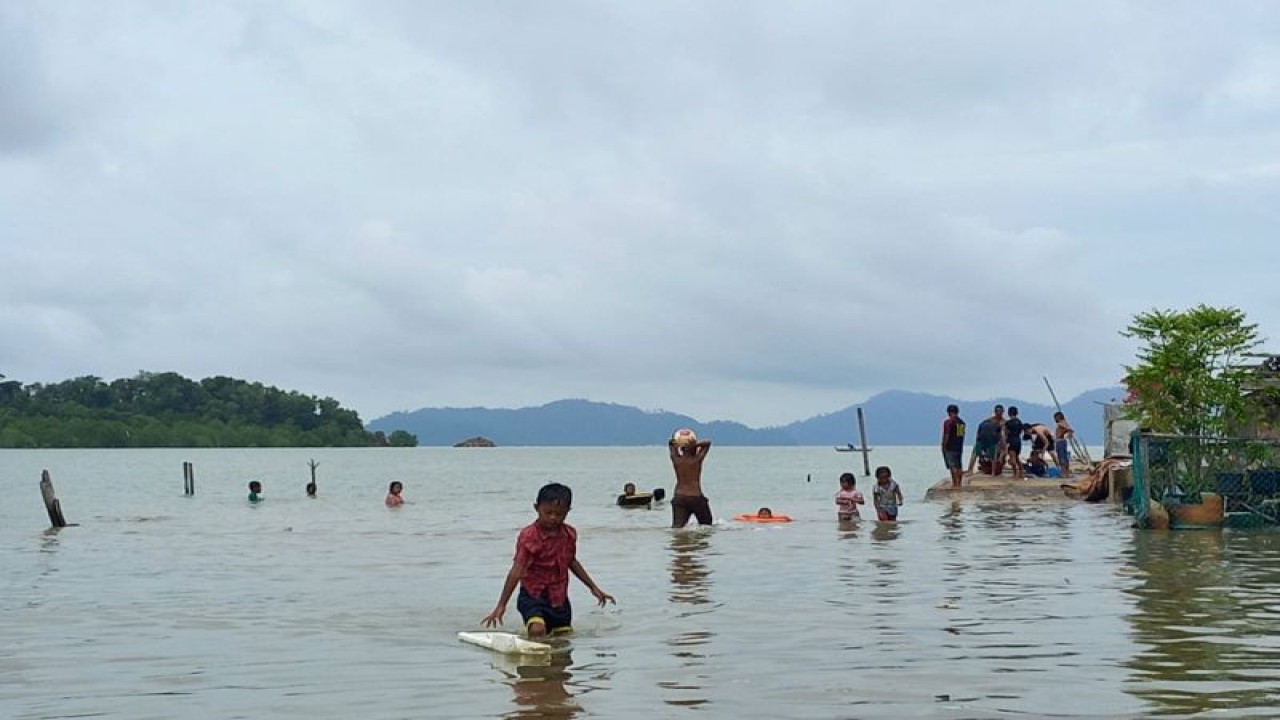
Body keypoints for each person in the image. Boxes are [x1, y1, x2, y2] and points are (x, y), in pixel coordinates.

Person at [482, 482, 614, 639]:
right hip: (532, 595)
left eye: (559, 514)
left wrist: (593, 587)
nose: (553, 518)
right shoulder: (529, 536)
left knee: (562, 639)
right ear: (536, 508)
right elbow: (517, 570)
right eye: (548, 512)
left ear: (568, 511)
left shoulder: (569, 534)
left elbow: (571, 561)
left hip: (559, 598)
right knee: (537, 630)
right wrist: (501, 605)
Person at [669, 434, 714, 527]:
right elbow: (708, 443)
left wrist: (680, 442)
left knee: (677, 527)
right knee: (707, 526)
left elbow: (671, 444)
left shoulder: (676, 459)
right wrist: (694, 445)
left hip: (679, 497)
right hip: (695, 497)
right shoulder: (696, 460)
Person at [968, 405, 1006, 476]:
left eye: (1000, 412)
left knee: (993, 454)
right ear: (995, 412)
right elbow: (981, 429)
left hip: (993, 440)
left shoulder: (1003, 422)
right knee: (976, 452)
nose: (999, 413)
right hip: (988, 439)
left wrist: (1003, 445)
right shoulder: (990, 420)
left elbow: (1003, 435)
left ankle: (993, 471)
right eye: (997, 411)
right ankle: (970, 469)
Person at [940, 404, 966, 488]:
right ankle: (959, 483)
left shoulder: (948, 422)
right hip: (959, 447)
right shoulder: (961, 422)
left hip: (950, 447)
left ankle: (955, 483)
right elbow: (961, 436)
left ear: (949, 412)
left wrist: (943, 445)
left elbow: (946, 434)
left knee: (952, 466)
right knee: (959, 465)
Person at [1004, 406, 1026, 480]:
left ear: (1009, 413)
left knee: (1012, 459)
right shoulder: (1019, 422)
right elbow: (1021, 431)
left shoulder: (1008, 423)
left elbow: (1006, 433)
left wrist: (1005, 442)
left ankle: (1015, 474)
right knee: (1017, 458)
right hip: (1018, 440)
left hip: (1011, 441)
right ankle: (1021, 474)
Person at [1054, 412, 1074, 478]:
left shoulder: (1061, 423)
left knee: (1062, 458)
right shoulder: (1063, 423)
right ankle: (1066, 473)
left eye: (1055, 417)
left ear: (1058, 417)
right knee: (1064, 458)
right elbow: (1069, 429)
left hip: (1060, 441)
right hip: (1061, 441)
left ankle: (1064, 473)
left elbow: (1070, 429)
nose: (1054, 419)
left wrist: (1069, 432)